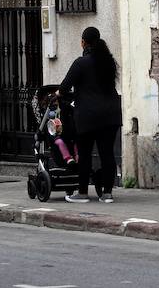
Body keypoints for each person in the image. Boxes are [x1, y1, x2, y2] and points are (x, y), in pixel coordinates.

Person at [61, 27, 122, 203]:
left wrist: (59, 94)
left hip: (88, 116)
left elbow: (65, 86)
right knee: (107, 154)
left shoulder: (81, 63)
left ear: (83, 42)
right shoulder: (109, 61)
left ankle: (82, 193)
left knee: (85, 153)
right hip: (110, 115)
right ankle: (107, 193)